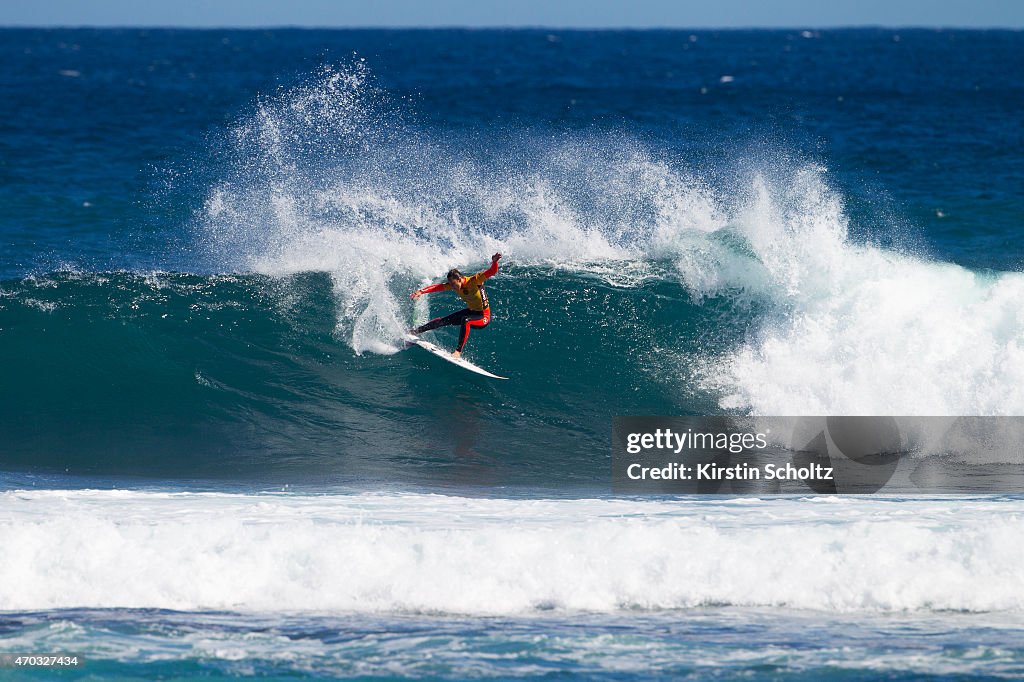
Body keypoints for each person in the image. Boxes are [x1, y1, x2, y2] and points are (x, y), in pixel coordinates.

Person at [410, 253, 502, 358]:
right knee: (443, 320)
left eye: (454, 284)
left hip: (483, 316)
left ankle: (458, 352)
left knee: (466, 320)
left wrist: (494, 262)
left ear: (460, 279)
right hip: (471, 311)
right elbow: (438, 287)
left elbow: (492, 271)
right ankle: (416, 331)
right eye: (451, 285)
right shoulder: (454, 285)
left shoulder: (475, 280)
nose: (452, 288)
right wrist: (421, 292)